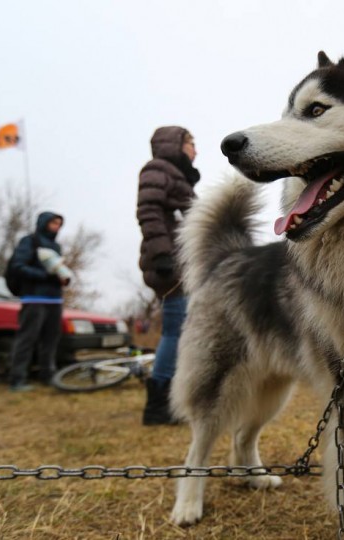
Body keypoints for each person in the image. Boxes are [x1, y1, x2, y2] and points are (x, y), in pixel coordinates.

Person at [137, 126, 199, 425]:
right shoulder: (158, 169)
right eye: (191, 143)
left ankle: (172, 400)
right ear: (175, 144)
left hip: (181, 262)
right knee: (175, 332)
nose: (195, 150)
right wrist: (163, 254)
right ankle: (158, 406)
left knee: (182, 331)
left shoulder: (177, 176)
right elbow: (148, 210)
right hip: (169, 264)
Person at [8, 212, 69, 391]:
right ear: (44, 223)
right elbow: (18, 267)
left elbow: (58, 269)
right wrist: (44, 275)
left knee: (50, 340)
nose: (56, 227)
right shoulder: (29, 242)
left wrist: (63, 278)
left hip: (54, 299)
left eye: (59, 224)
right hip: (34, 297)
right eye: (53, 223)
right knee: (27, 339)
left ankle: (48, 375)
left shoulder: (56, 247)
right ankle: (17, 379)